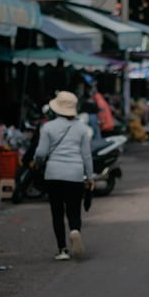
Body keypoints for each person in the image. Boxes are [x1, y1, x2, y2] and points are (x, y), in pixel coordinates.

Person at [35, 91, 94, 261]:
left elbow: (41, 152)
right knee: (74, 211)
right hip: (75, 174)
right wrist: (90, 177)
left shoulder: (48, 127)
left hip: (53, 174)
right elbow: (86, 156)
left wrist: (37, 162)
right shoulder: (82, 128)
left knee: (57, 212)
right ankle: (75, 230)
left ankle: (62, 250)